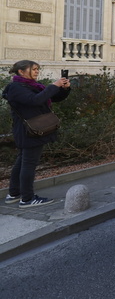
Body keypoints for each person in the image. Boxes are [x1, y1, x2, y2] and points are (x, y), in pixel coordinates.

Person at [2, 61, 71, 207]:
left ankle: (14, 194)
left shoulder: (31, 86)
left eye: (37, 69)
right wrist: (54, 85)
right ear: (21, 71)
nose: (36, 71)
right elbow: (35, 100)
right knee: (28, 164)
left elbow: (52, 97)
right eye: (33, 69)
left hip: (32, 129)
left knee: (22, 162)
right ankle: (27, 199)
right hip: (29, 131)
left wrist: (64, 89)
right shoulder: (16, 88)